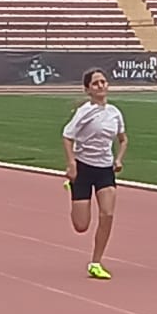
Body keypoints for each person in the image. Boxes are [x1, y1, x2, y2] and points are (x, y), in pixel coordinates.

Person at [62, 68, 128, 280]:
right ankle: (72, 187)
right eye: (96, 83)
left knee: (107, 214)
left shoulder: (115, 113)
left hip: (105, 169)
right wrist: (71, 163)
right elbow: (67, 136)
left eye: (103, 82)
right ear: (88, 89)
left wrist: (118, 159)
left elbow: (123, 139)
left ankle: (96, 262)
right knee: (81, 226)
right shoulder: (84, 112)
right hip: (83, 167)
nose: (101, 86)